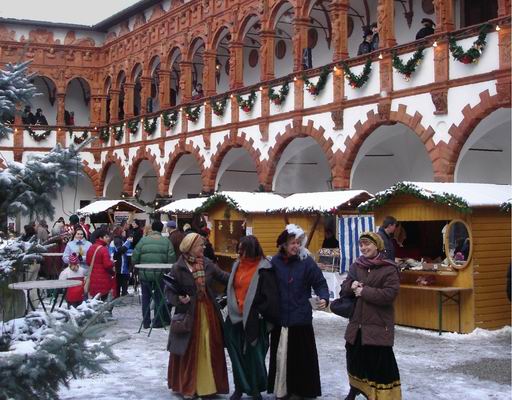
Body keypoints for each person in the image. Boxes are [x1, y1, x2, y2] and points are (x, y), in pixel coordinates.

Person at [268, 224, 329, 399]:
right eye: (292, 243)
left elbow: (319, 282)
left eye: (297, 242)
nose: (296, 246)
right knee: (282, 356)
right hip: (281, 318)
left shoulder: (306, 261)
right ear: (284, 245)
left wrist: (323, 296)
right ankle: (283, 389)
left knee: (301, 357)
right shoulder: (275, 263)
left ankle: (302, 390)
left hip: (300, 317)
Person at [165, 232, 230, 399]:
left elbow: (225, 278)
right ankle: (188, 386)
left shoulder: (207, 264)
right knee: (188, 350)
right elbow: (169, 291)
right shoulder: (178, 267)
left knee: (210, 346)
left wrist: (243, 275)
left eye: (203, 244)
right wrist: (179, 299)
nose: (204, 247)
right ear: (190, 248)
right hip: (188, 314)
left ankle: (207, 385)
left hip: (208, 311)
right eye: (200, 245)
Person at [340, 232, 401, 400]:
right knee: (355, 360)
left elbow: (390, 295)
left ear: (377, 246)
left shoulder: (389, 268)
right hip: (357, 326)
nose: (363, 248)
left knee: (379, 366)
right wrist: (351, 285)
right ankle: (355, 389)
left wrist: (364, 291)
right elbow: (344, 289)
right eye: (361, 245)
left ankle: (380, 396)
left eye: (367, 244)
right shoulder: (356, 266)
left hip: (378, 325)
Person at [225, 236, 279, 400]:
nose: (240, 252)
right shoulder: (236, 266)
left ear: (252, 249)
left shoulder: (265, 269)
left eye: (243, 249)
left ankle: (255, 387)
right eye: (239, 249)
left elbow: (269, 296)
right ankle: (239, 387)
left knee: (255, 356)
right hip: (235, 317)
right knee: (236, 356)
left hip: (256, 319)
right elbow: (232, 288)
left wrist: (258, 311)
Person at [132, 220, 176, 329]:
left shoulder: (143, 240)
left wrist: (136, 267)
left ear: (152, 228)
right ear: (162, 229)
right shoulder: (166, 242)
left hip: (145, 273)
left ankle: (146, 322)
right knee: (159, 297)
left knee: (146, 298)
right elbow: (171, 258)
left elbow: (135, 257)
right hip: (160, 274)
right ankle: (157, 321)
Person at [85, 229, 114, 301]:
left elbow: (88, 262)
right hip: (104, 279)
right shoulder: (104, 249)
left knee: (95, 300)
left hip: (93, 278)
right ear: (100, 238)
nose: (108, 239)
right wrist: (112, 262)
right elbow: (107, 265)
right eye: (106, 237)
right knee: (104, 300)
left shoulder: (91, 247)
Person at [111, 232, 133, 297]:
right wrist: (128, 242)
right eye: (123, 231)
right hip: (120, 265)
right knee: (122, 280)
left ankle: (121, 294)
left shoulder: (117, 240)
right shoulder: (117, 240)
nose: (125, 232)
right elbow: (120, 250)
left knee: (120, 281)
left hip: (120, 264)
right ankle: (122, 295)